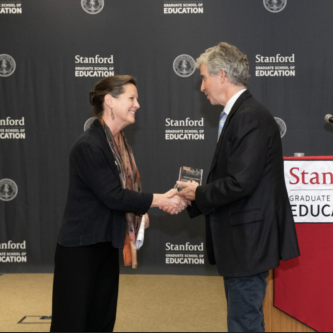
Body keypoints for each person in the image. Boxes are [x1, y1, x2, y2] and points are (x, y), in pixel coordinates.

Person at [168, 43, 300, 332]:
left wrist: (198, 193)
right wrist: (198, 194)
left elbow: (241, 183)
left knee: (244, 323)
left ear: (222, 75)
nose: (201, 86)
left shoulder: (248, 116)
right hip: (243, 241)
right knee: (245, 320)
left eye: (203, 78)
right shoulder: (241, 113)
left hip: (248, 242)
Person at [50, 75, 188, 332]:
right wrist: (159, 200)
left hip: (105, 244)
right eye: (132, 98)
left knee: (101, 321)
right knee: (71, 322)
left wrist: (138, 214)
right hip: (80, 249)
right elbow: (113, 195)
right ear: (110, 101)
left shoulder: (118, 145)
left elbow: (117, 198)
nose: (137, 104)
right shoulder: (89, 146)